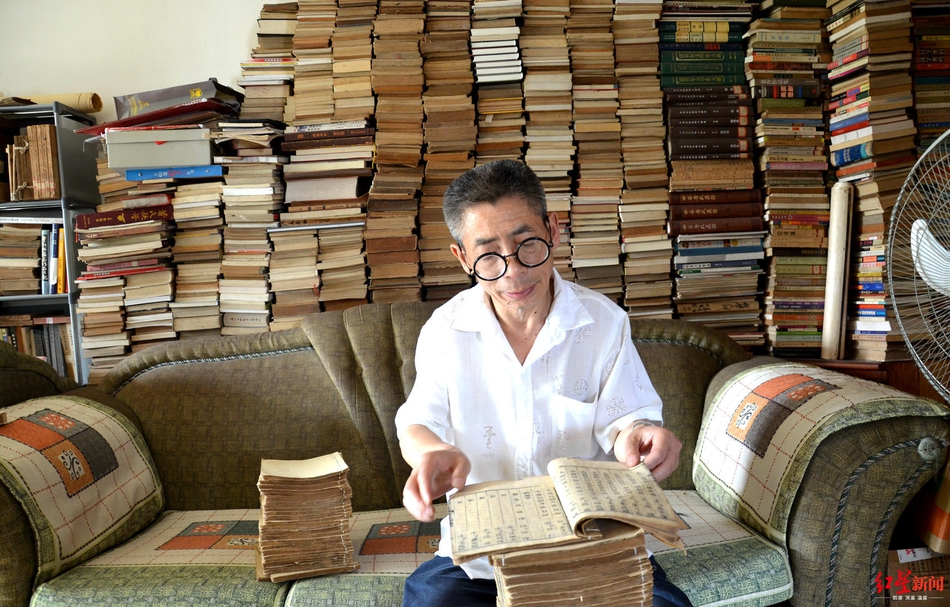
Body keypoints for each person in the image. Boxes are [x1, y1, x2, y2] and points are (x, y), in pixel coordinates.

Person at [394, 160, 692, 607]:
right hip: (484, 555)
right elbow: (417, 421)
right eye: (489, 255)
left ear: (553, 229)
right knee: (431, 600)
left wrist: (642, 435)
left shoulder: (603, 322)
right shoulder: (445, 329)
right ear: (462, 258)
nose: (513, 271)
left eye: (526, 244)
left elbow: (629, 422)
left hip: (593, 542)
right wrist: (430, 454)